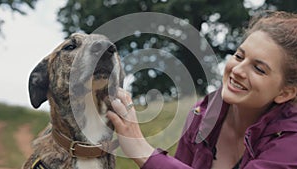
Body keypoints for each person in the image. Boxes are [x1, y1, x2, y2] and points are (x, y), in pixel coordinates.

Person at [106, 11, 297, 169]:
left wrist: (143, 152)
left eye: (258, 69)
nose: (238, 70)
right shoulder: (202, 116)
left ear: (285, 93)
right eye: (239, 56)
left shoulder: (292, 142)